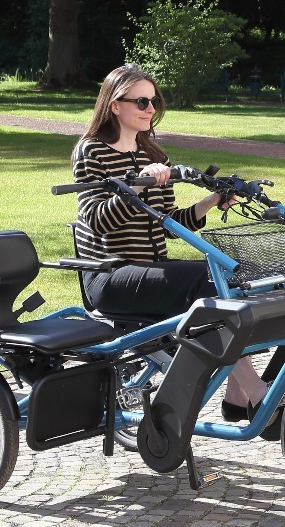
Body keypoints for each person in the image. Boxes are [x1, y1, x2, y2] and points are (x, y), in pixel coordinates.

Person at [71, 64, 272, 421]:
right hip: (109, 275)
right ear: (115, 105)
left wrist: (211, 201)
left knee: (231, 276)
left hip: (151, 269)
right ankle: (256, 390)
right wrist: (137, 183)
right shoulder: (92, 152)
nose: (151, 109)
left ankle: (236, 392)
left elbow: (170, 224)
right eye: (142, 101)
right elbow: (99, 222)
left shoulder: (154, 155)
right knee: (204, 284)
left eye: (155, 101)